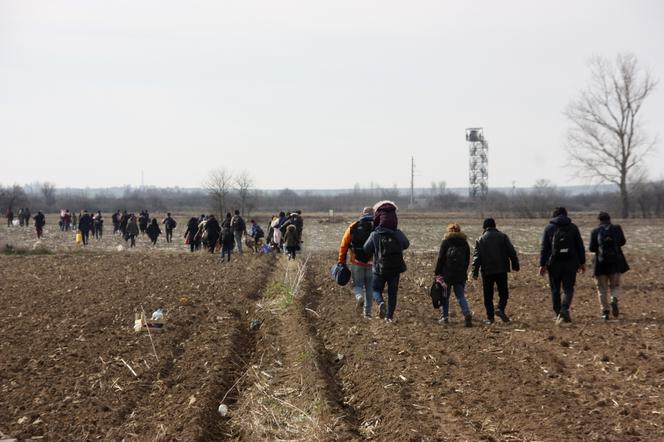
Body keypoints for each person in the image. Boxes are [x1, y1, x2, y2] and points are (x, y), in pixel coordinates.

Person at [362, 201, 410, 322]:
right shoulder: (398, 233)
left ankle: (380, 302)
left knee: (375, 290)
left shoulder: (375, 234)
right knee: (393, 293)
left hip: (379, 269)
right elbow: (406, 244)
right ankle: (389, 317)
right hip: (395, 268)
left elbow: (366, 249)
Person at [539, 207, 586, 324]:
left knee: (555, 289)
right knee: (568, 288)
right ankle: (564, 308)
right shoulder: (573, 228)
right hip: (570, 263)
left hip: (554, 264)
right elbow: (580, 246)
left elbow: (544, 248)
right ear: (566, 215)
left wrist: (542, 265)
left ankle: (558, 312)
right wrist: (582, 262)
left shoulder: (549, 228)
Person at [471, 218, 520, 324]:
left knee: (488, 295)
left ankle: (490, 318)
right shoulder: (503, 236)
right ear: (495, 226)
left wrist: (474, 271)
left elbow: (477, 257)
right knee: (504, 293)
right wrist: (515, 264)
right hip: (501, 270)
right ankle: (500, 308)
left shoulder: (481, 239)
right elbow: (511, 251)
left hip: (487, 271)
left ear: (484, 227)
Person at [588, 211, 630, 320]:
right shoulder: (616, 228)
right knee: (615, 286)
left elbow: (592, 248)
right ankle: (614, 299)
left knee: (601, 289)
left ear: (599, 220)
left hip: (600, 265)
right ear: (609, 219)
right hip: (615, 263)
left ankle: (605, 312)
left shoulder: (595, 231)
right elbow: (622, 242)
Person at [337, 207, 374, 317]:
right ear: (373, 214)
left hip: (356, 262)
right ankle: (367, 313)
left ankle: (359, 297)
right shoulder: (377, 226)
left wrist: (341, 261)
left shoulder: (353, 226)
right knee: (370, 287)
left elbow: (344, 245)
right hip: (372, 263)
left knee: (357, 285)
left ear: (362, 213)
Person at [435, 223, 473, 327]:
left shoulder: (446, 242)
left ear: (449, 231)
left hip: (447, 275)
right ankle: (466, 313)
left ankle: (445, 317)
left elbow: (440, 259)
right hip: (460, 275)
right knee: (460, 295)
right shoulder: (464, 243)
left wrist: (437, 273)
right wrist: (463, 271)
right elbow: (467, 260)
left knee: (445, 296)